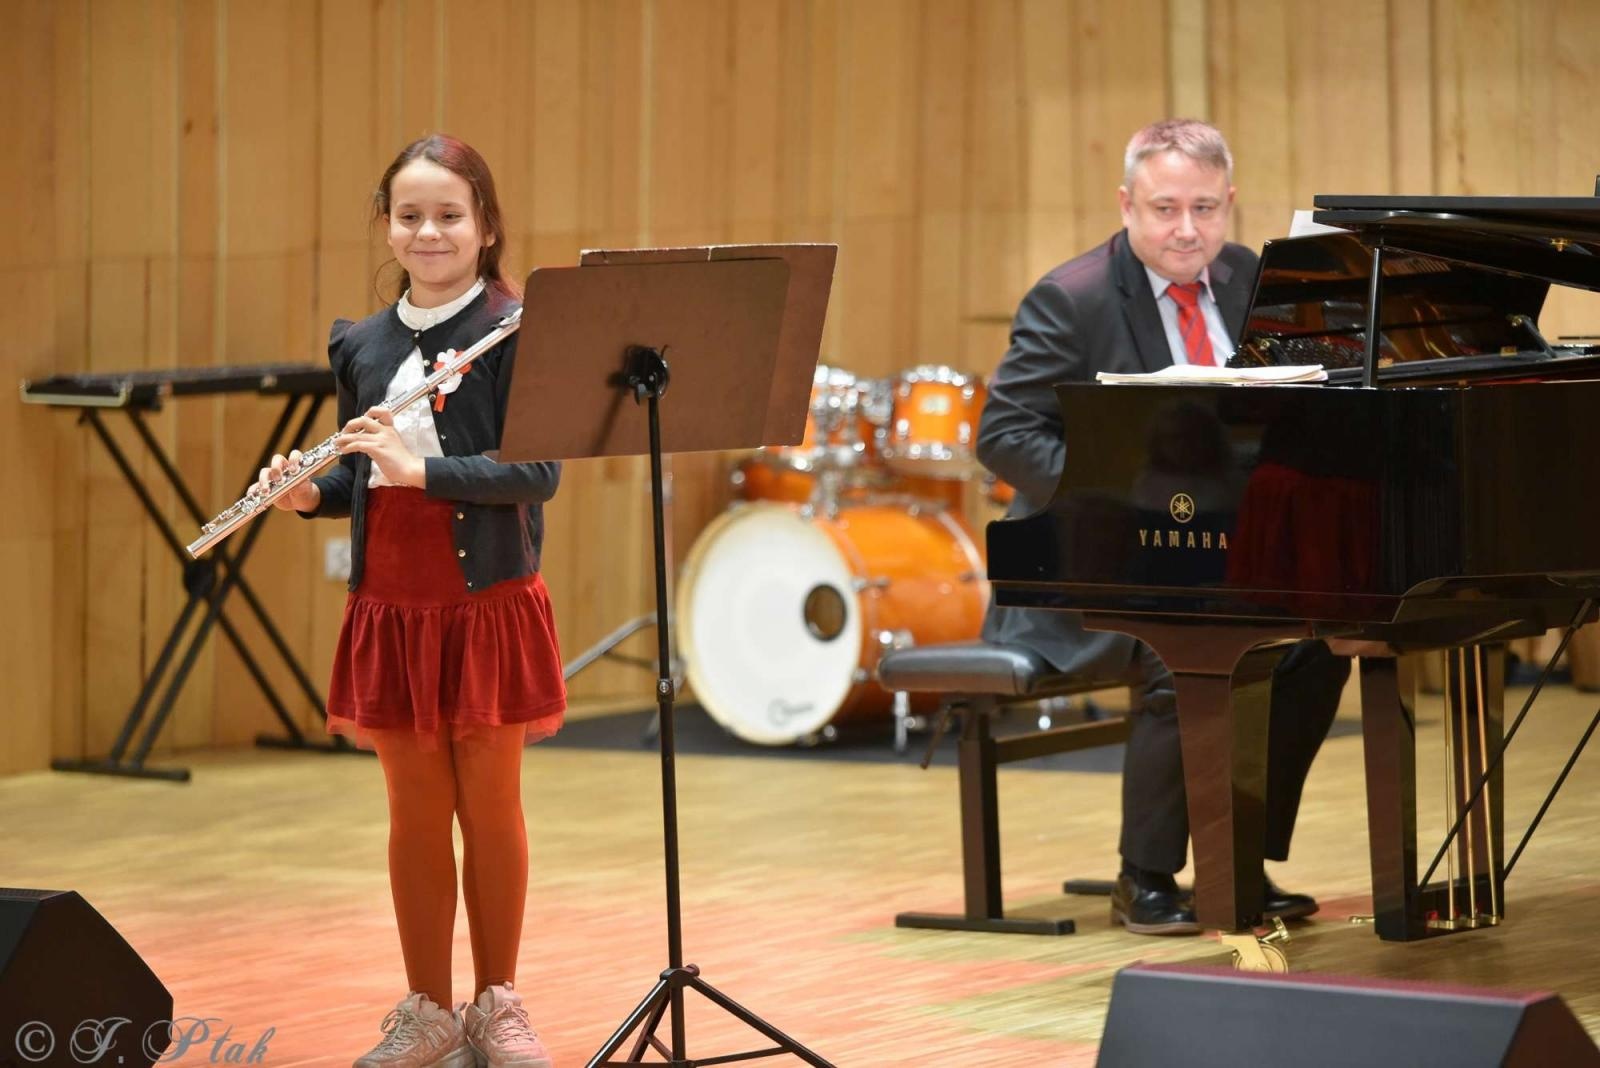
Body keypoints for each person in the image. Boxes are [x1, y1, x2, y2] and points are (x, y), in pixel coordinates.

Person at [975, 119, 1350, 936]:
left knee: (1321, 642)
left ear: (1230, 202)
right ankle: (1143, 875)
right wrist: (1114, 497)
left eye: (1205, 209)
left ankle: (1237, 855)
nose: (1187, 230)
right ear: (1126, 205)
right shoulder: (1071, 298)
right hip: (1088, 560)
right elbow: (1003, 434)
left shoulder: (1251, 278)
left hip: (1227, 551)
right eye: (1165, 209)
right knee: (1181, 642)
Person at [256, 134, 564, 1066]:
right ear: (387, 227)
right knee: (416, 816)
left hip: (486, 604)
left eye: (449, 215)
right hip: (391, 606)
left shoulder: (517, 329)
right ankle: (428, 1011)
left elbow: (536, 474)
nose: (429, 232)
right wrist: (309, 493)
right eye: (410, 216)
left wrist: (420, 469)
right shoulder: (363, 342)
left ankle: (498, 1006)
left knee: (491, 808)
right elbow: (366, 478)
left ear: (486, 226)